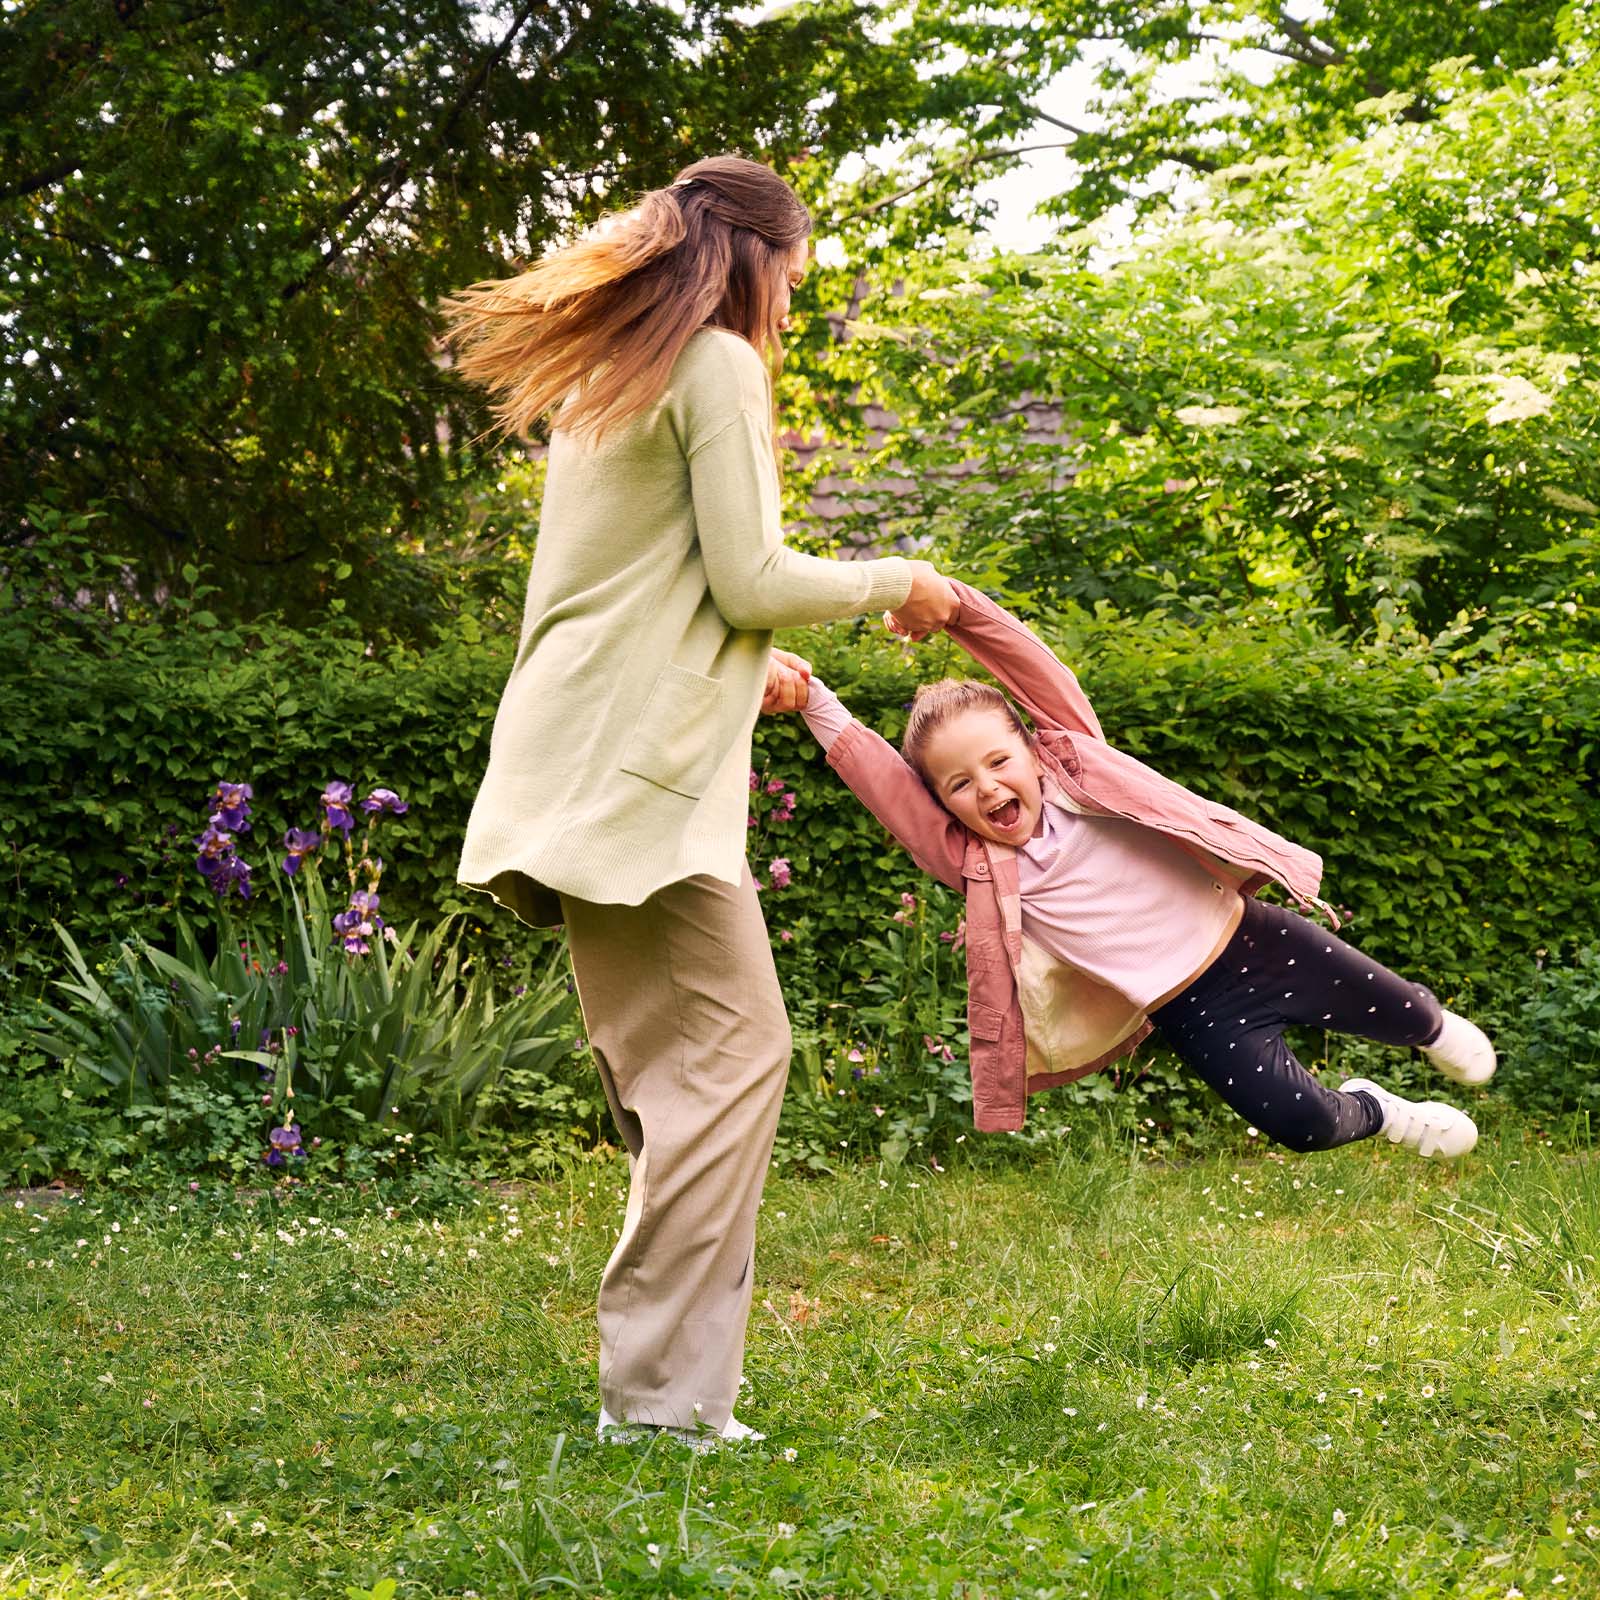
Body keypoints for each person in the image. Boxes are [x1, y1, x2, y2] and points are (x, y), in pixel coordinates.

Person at [438, 155, 960, 1450]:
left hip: (578, 760)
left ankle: (660, 1394)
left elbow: (645, 589)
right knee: (733, 1066)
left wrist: (754, 663)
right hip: (639, 789)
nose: (791, 300)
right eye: (796, 275)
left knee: (686, 1081)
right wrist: (901, 580)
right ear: (762, 260)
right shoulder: (717, 363)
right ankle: (660, 1408)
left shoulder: (611, 377)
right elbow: (745, 573)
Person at [768, 580, 1495, 1158]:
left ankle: (1431, 1027)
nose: (986, 788)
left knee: (1409, 1014)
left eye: (997, 762)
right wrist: (816, 703)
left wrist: (953, 605)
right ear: (945, 806)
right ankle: (1380, 1111)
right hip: (1193, 1012)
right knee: (1301, 1125)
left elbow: (1029, 663)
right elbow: (889, 791)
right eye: (959, 784)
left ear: (1032, 751)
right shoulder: (975, 865)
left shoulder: (1084, 767)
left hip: (1254, 940)